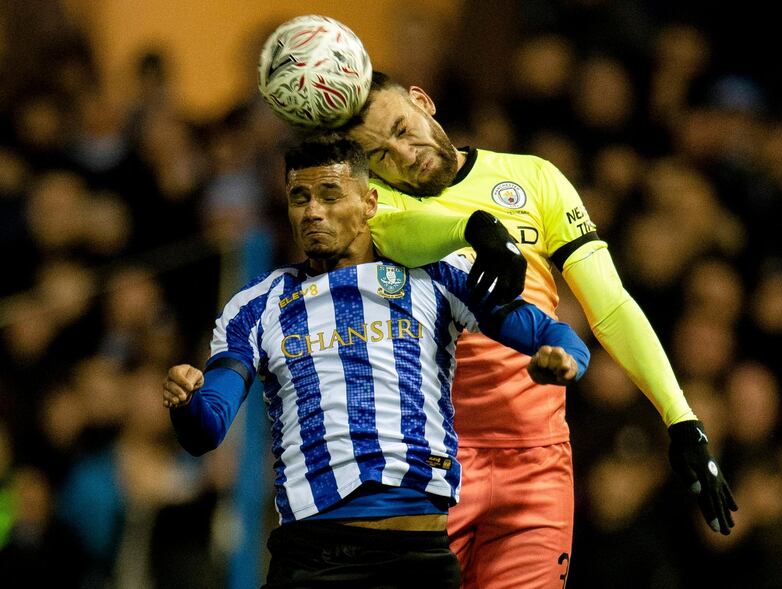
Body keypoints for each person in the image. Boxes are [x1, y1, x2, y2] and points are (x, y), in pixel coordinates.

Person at [337, 72, 738, 588]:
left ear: (423, 101)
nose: (403, 154)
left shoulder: (534, 178)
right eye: (382, 154)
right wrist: (473, 227)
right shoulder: (378, 202)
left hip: (537, 463)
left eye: (401, 127)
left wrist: (680, 418)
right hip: (428, 462)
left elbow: (611, 306)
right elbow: (404, 234)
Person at [162, 136, 590, 589]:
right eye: (299, 197)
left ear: (369, 202)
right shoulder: (256, 305)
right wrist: (187, 401)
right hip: (315, 557)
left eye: (330, 194)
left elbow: (550, 333)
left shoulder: (436, 275)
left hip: (421, 557)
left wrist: (565, 360)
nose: (312, 211)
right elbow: (206, 429)